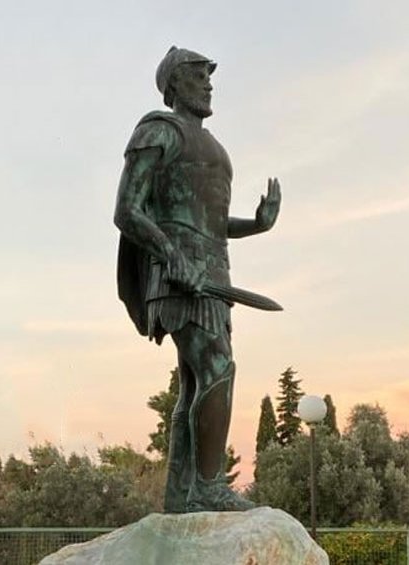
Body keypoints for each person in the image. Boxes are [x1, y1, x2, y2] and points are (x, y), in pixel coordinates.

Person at [114, 46, 281, 512]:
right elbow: (127, 210)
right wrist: (170, 254)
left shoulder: (216, 149)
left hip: (213, 275)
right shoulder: (158, 130)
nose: (208, 83)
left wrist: (257, 224)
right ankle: (207, 488)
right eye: (198, 75)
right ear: (174, 84)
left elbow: (210, 222)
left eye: (209, 76)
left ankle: (181, 494)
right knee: (218, 369)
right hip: (177, 276)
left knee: (194, 382)